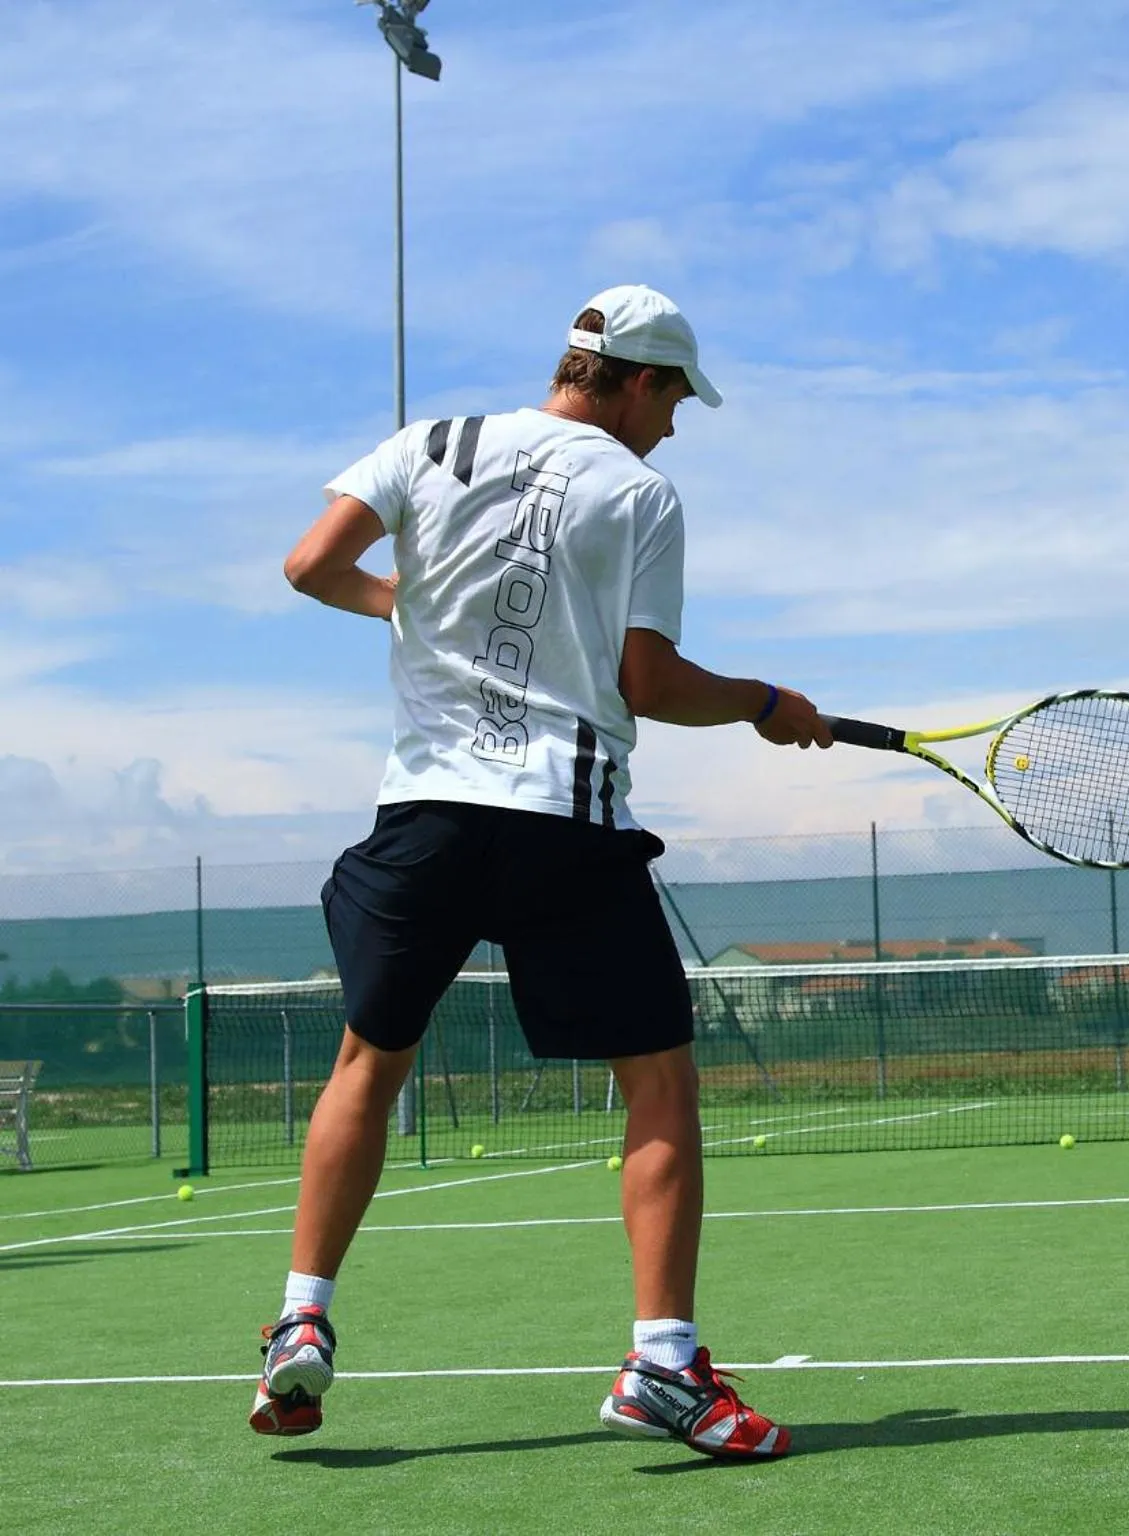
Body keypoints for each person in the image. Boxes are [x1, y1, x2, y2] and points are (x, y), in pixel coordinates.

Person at [254, 285, 826, 1461]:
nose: (672, 426)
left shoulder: (431, 444)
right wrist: (767, 705)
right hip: (560, 825)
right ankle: (664, 1363)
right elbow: (650, 685)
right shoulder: (640, 494)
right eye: (672, 399)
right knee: (658, 1084)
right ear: (634, 380)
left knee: (370, 1061)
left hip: (418, 822)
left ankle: (300, 1317)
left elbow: (311, 563)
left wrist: (408, 613)